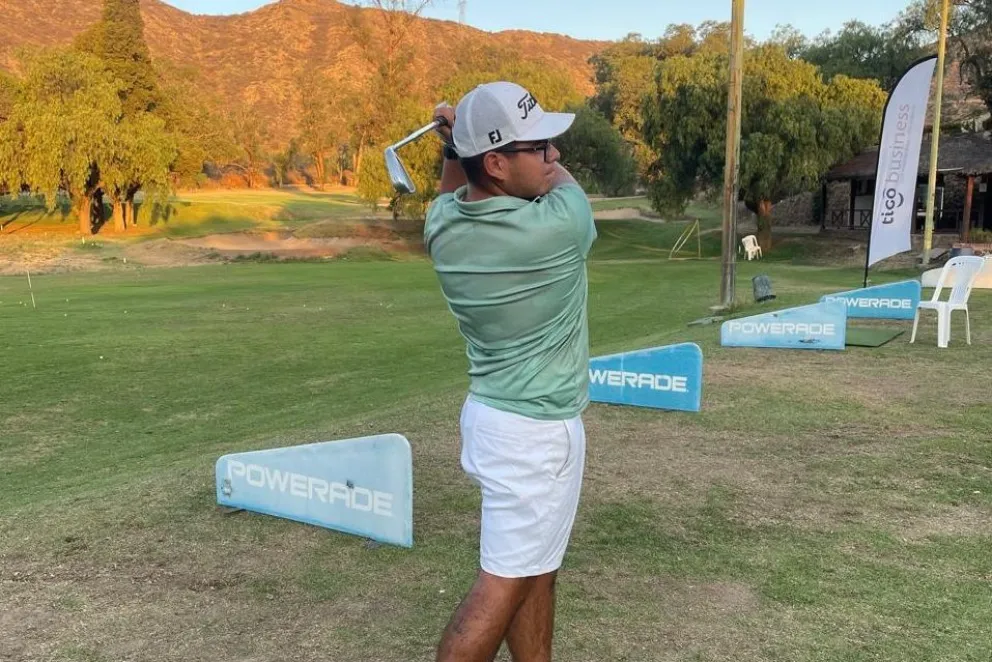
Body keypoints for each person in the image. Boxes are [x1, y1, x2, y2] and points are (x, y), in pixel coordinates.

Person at [423, 81, 597, 662]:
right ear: (496, 162)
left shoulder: (442, 229)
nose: (553, 156)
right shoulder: (561, 226)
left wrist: (455, 147)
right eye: (539, 146)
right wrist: (460, 142)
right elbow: (565, 182)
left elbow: (455, 189)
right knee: (502, 583)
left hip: (494, 419)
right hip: (537, 437)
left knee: (534, 572)